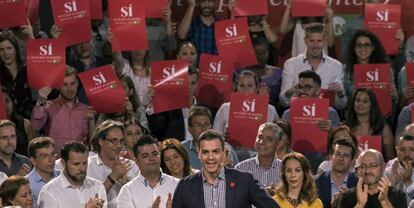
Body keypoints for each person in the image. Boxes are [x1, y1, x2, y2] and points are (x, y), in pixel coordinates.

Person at [172, 130, 279, 207]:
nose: (210, 157)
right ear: (199, 154)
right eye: (205, 152)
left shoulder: (245, 181)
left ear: (224, 153)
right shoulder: (184, 187)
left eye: (216, 152)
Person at [31, 66, 95, 157]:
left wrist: (91, 121)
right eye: (65, 85)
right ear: (58, 87)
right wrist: (41, 99)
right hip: (56, 162)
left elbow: (93, 142)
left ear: (77, 83)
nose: (70, 89)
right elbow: (35, 126)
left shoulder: (86, 109)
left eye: (72, 83)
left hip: (81, 162)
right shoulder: (49, 106)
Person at [279, 23, 345, 110]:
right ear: (305, 40)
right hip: (298, 114)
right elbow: (283, 103)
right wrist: (290, 92)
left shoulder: (336, 66)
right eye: (312, 41)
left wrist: (340, 94)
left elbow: (341, 106)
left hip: (325, 116)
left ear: (324, 41)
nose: (315, 46)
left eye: (319, 41)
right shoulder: (290, 64)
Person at [38, 141, 107, 208]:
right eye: (76, 164)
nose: (82, 168)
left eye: (84, 163)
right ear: (63, 163)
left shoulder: (97, 186)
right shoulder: (49, 192)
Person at [88, 120, 139, 208]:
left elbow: (141, 200)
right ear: (101, 141)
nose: (119, 145)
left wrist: (126, 185)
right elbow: (90, 202)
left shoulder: (131, 166)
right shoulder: (88, 166)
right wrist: (112, 178)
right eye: (114, 141)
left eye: (121, 141)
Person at [117, 136, 178, 208]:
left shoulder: (178, 185)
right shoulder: (127, 191)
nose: (151, 158)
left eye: (155, 154)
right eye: (145, 156)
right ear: (136, 160)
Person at [342, 29, 398, 106]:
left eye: (367, 45)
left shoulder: (385, 70)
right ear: (354, 48)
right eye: (359, 45)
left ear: (373, 47)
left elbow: (395, 102)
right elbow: (341, 104)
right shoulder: (346, 70)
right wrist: (352, 97)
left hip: (382, 115)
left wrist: (394, 95)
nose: (363, 48)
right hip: (355, 114)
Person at [214, 70, 279, 134]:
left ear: (257, 88)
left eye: (250, 86)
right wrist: (223, 136)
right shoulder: (225, 108)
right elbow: (215, 134)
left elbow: (277, 136)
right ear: (236, 88)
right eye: (242, 86)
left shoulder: (270, 110)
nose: (245, 89)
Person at [336, 149, 407, 208]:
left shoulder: (398, 196)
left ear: (383, 167)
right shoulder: (346, 197)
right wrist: (359, 205)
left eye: (372, 166)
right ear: (357, 170)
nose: (367, 171)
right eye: (362, 167)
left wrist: (384, 201)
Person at [344, 88, 395, 160]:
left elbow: (390, 158)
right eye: (357, 100)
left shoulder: (383, 129)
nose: (360, 104)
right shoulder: (345, 128)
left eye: (365, 101)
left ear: (372, 105)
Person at [235, 123, 282, 188]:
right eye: (260, 137)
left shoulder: (285, 169)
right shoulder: (241, 168)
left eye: (269, 139)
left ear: (277, 145)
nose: (262, 141)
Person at [315, 139, 359, 208]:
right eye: (338, 154)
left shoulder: (359, 184)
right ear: (331, 156)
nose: (341, 158)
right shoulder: (315, 182)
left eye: (346, 155)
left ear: (352, 160)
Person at [0, 30, 34, 118]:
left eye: (9, 48)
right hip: (6, 125)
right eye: (1, 49)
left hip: (30, 122)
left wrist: (31, 37)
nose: (6, 53)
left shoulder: (26, 70)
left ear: (15, 49)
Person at [27, 137, 60, 208]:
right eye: (45, 156)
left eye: (52, 154)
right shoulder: (27, 184)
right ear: (33, 161)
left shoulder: (63, 177)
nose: (51, 160)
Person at [2, 87, 35, 156]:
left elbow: (33, 152)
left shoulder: (25, 124)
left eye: (7, 101)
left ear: (12, 102)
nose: (5, 105)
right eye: (1, 103)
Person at [385, 133, 414, 201]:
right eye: (402, 149)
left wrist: (408, 182)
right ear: (396, 150)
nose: (407, 154)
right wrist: (392, 184)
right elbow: (381, 201)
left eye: (412, 149)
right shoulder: (388, 172)